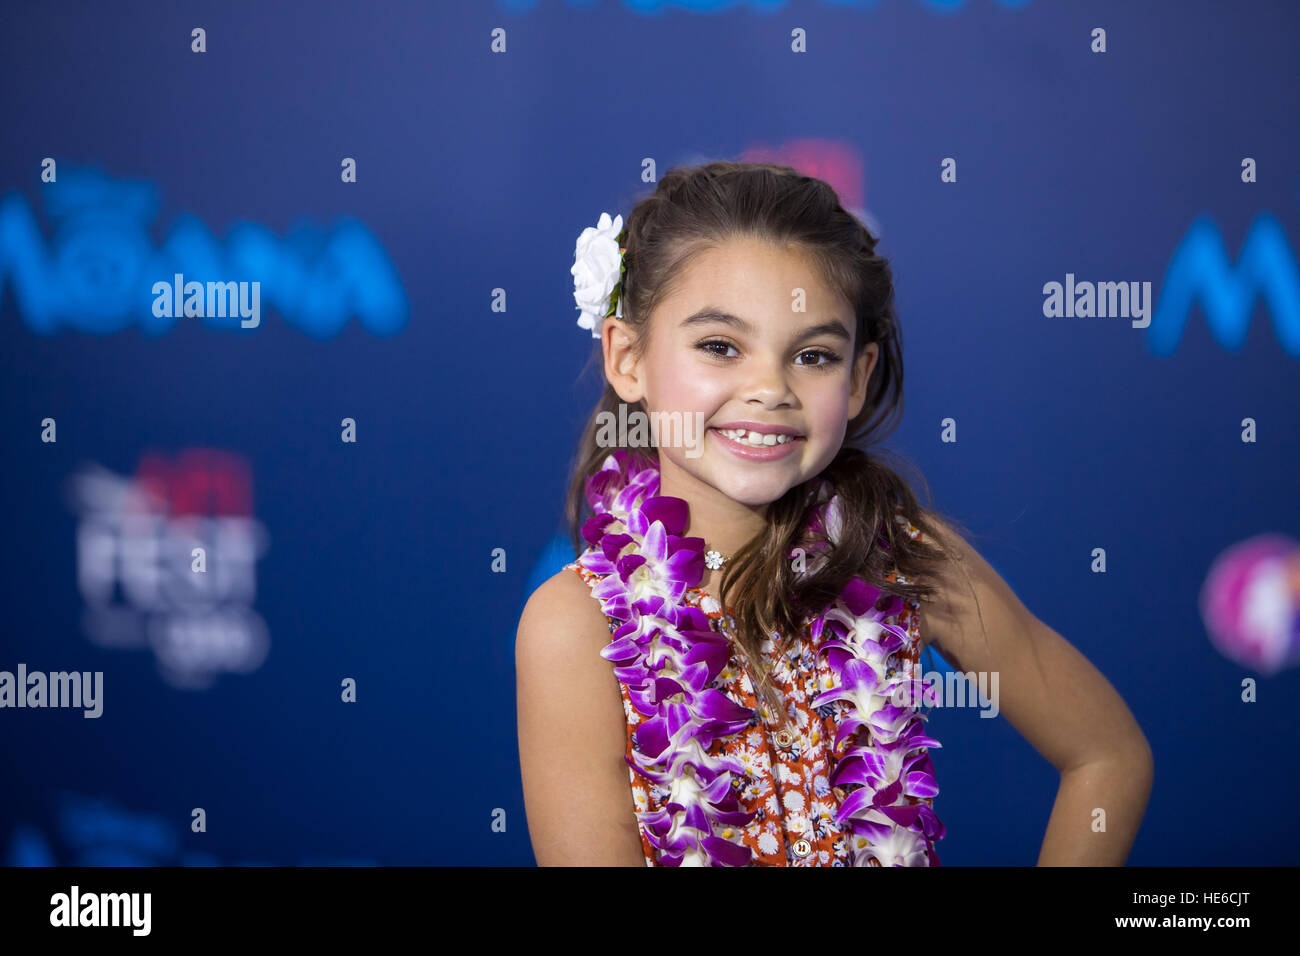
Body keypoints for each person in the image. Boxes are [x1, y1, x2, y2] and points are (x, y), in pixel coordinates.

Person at [516, 161, 1153, 867]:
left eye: (813, 355)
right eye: (721, 346)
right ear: (628, 357)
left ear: (857, 378)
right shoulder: (578, 626)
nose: (768, 389)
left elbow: (1106, 756)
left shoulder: (903, 562)